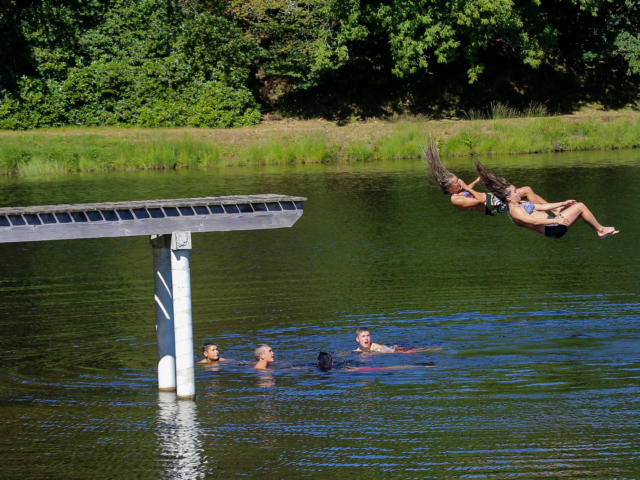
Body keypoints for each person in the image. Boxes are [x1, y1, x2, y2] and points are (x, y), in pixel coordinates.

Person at [476, 162, 619, 239]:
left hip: (555, 223)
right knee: (581, 206)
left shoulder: (521, 204)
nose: (518, 192)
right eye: (515, 192)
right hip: (553, 229)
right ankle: (600, 230)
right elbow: (534, 222)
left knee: (576, 205)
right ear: (508, 197)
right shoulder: (515, 212)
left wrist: (563, 203)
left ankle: (600, 230)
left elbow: (542, 207)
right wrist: (555, 221)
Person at [422, 135, 551, 215]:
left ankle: (554, 210)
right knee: (525, 191)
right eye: (457, 182)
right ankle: (549, 213)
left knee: (527, 190)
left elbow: (468, 190)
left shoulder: (459, 191)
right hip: (493, 206)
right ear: (449, 188)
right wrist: (467, 187)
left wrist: (476, 181)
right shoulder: (456, 200)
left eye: (458, 179)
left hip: (493, 199)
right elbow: (479, 200)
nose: (460, 182)